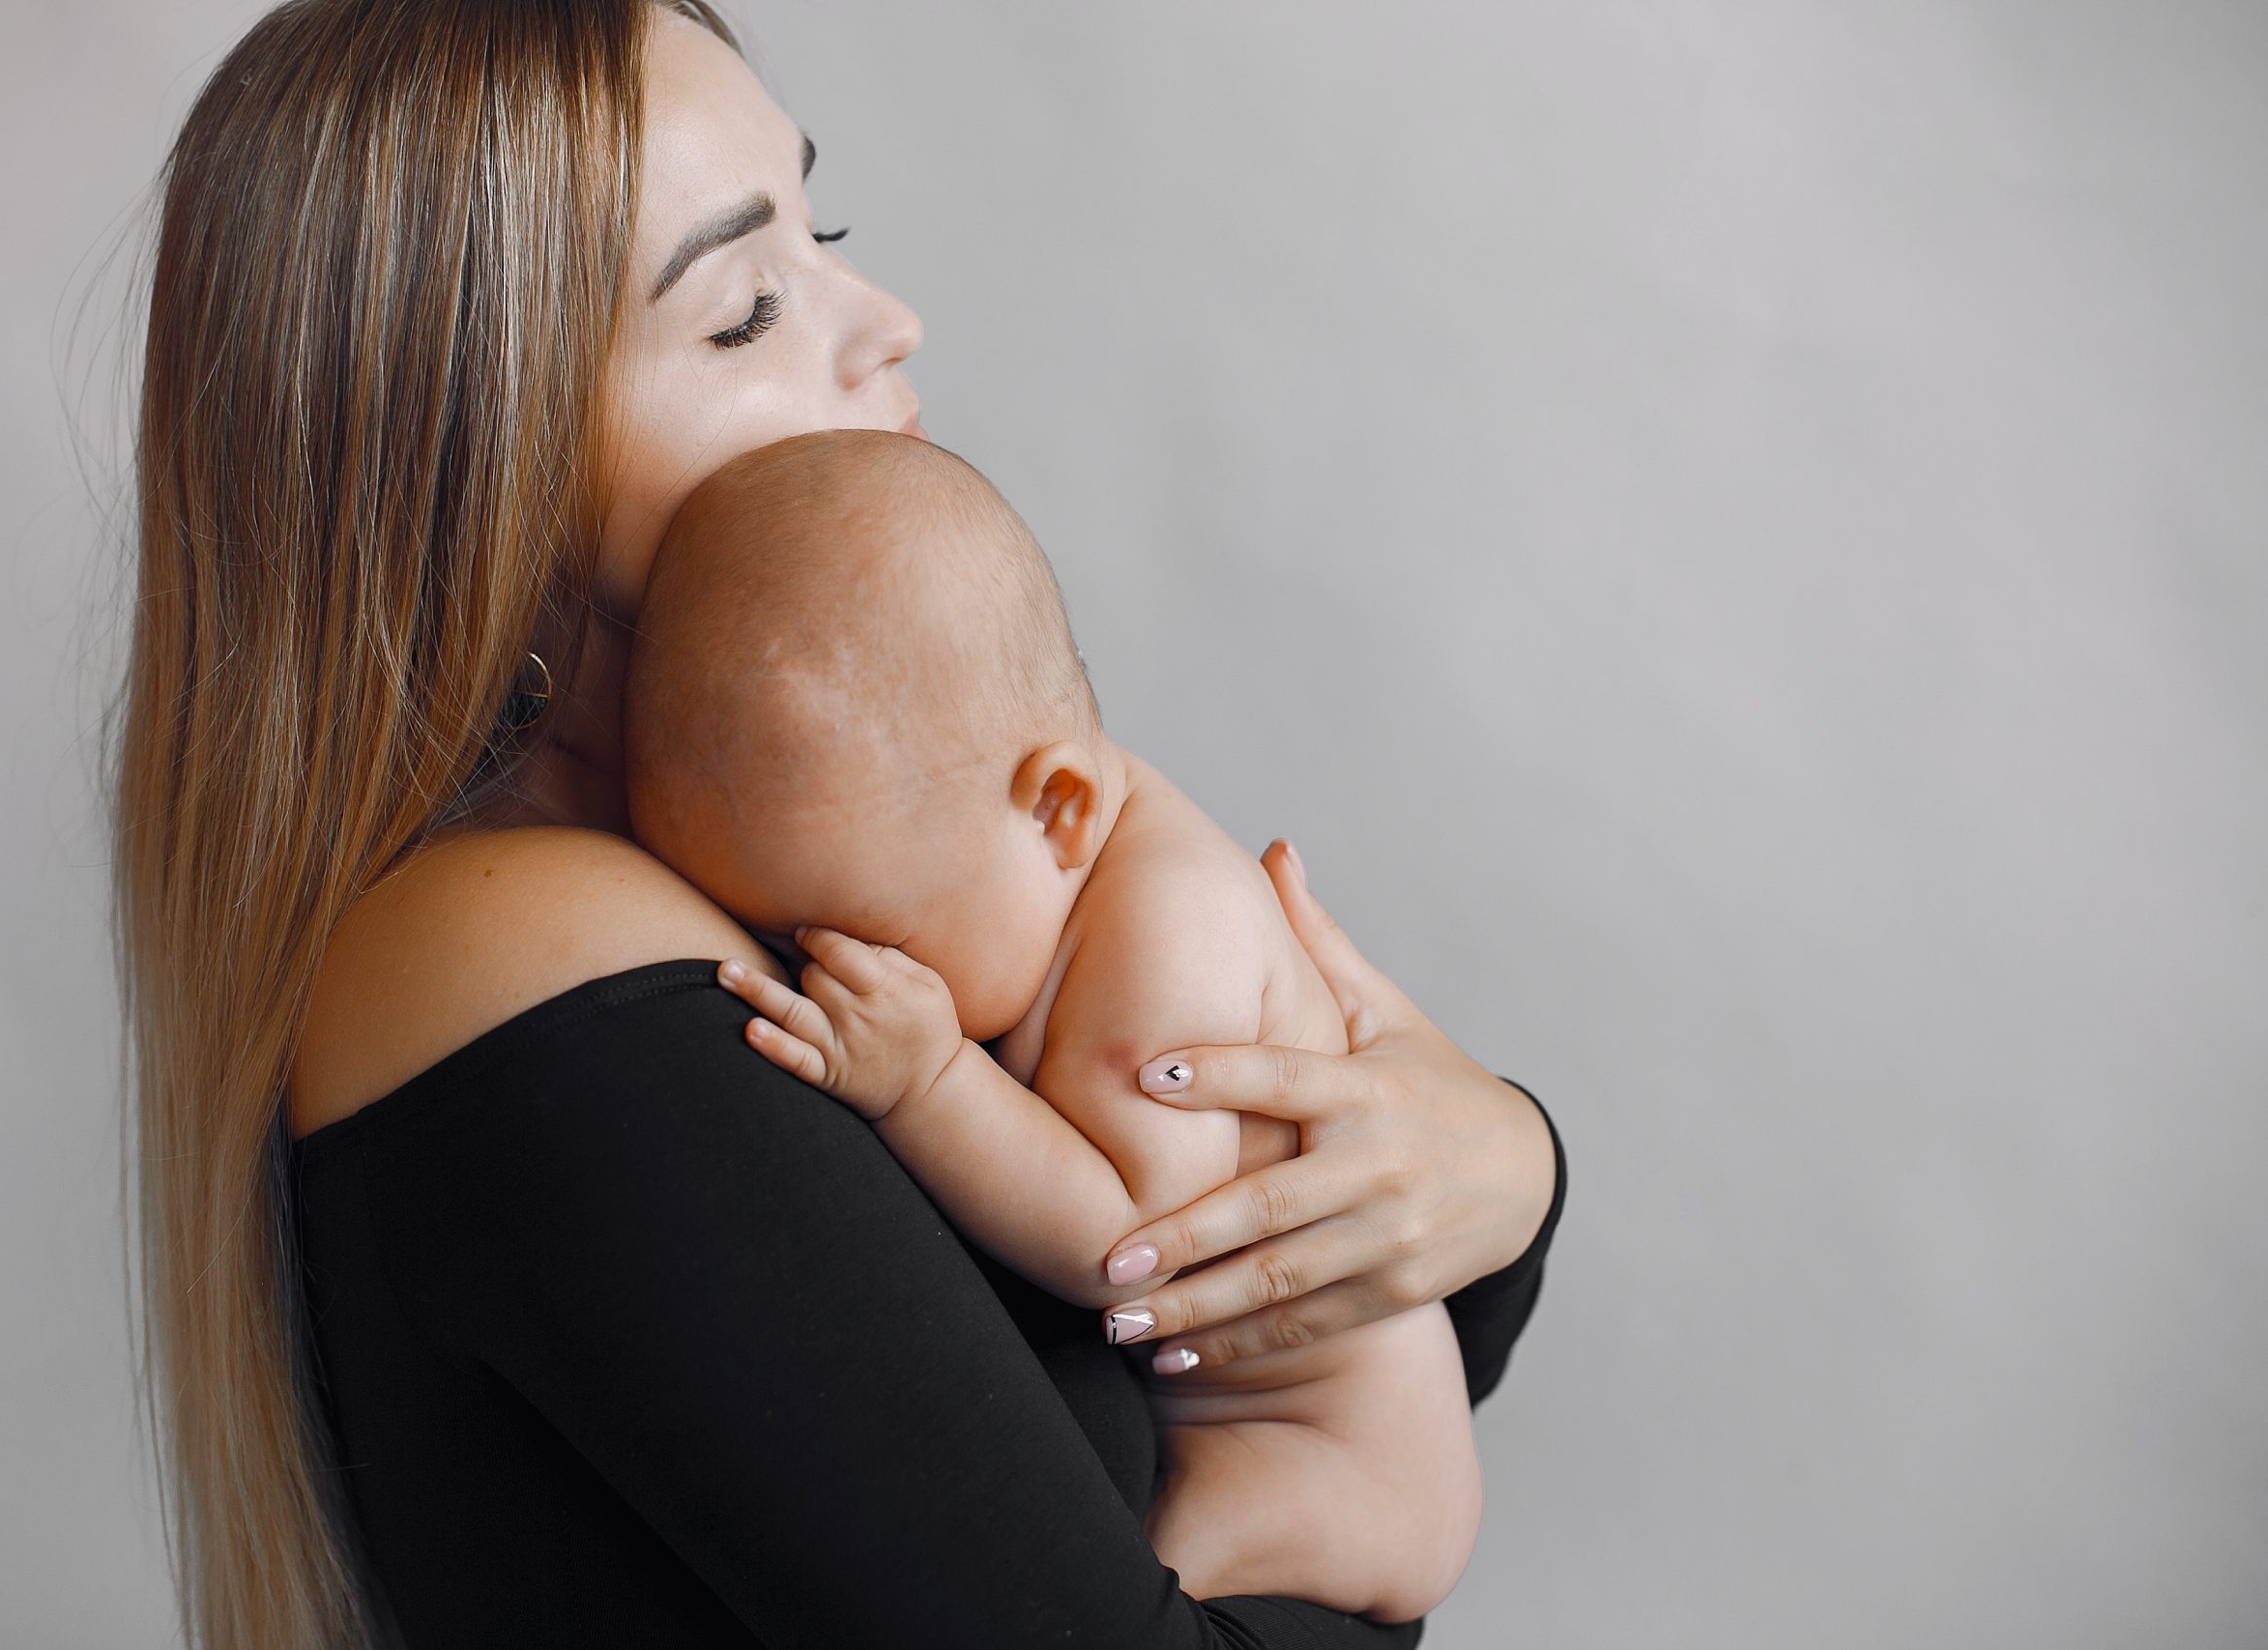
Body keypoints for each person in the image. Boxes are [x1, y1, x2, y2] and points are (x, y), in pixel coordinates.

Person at [110, 4, 1567, 1647]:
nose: (885, 322)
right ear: (477, 489)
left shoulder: (773, 870)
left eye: (832, 235)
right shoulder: (514, 955)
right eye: (745, 310)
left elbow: (1314, 1342)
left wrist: (1504, 1162)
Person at [625, 428, 1481, 1623]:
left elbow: (1132, 1242)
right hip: (1239, 1419)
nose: (836, 977)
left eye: (863, 936)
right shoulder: (995, 826)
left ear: (1059, 812)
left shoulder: (1170, 935)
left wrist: (924, 1083)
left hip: (1321, 1453)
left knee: (1122, 1591)